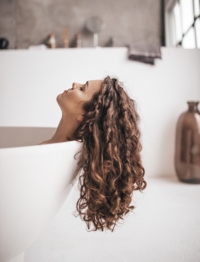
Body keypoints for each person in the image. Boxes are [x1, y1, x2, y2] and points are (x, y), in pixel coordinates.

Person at [40, 76, 147, 232]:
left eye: (82, 88)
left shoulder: (49, 156)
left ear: (84, 115)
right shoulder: (51, 150)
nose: (75, 84)